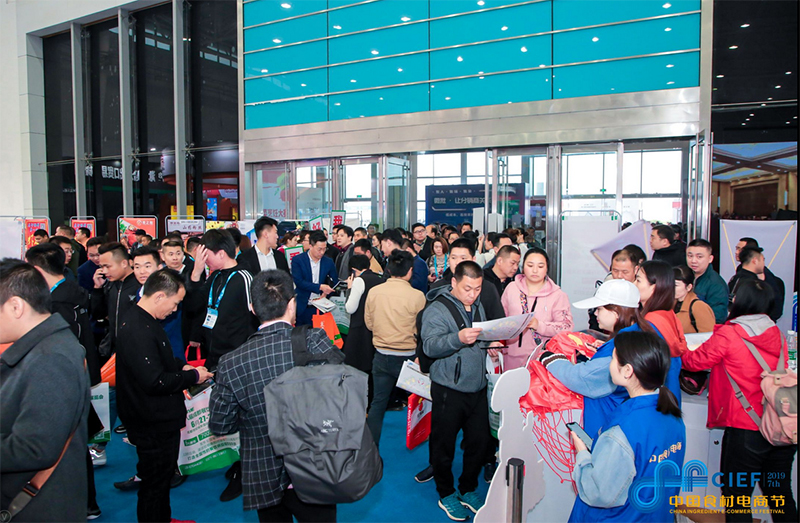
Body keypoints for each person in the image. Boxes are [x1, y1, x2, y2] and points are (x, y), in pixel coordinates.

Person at [210, 270, 342, 522]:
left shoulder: (231, 362)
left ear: (252, 308)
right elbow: (342, 396)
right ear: (292, 303)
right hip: (314, 466)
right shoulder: (316, 341)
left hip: (263, 471)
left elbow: (220, 425)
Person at [681, 280, 797, 522]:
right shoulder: (777, 334)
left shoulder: (729, 334)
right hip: (780, 426)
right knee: (779, 493)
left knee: (737, 497)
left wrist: (678, 343)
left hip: (745, 428)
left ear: (739, 301)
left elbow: (693, 361)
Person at [117, 269, 213, 523]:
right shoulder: (138, 328)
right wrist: (192, 377)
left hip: (155, 416)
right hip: (151, 420)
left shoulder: (144, 320)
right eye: (175, 303)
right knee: (155, 482)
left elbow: (160, 360)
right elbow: (155, 380)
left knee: (161, 478)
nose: (174, 310)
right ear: (160, 296)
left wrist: (182, 367)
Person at [0, 259, 91, 522]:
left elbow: (34, 447)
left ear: (16, 306)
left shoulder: (51, 357)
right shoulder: (42, 347)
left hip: (38, 507)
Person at [568, 331, 686, 523]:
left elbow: (598, 492)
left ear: (627, 371)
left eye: (613, 359)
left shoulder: (623, 429)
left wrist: (582, 454)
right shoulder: (672, 413)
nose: (610, 364)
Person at [24, 244, 103, 518]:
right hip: (79, 375)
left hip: (66, 381)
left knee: (69, 446)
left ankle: (85, 503)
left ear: (37, 269)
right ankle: (88, 502)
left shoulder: (56, 303)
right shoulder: (73, 291)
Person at [421, 261, 502, 520]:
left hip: (477, 385)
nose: (473, 294)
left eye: (477, 289)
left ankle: (468, 488)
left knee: (479, 442)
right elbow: (430, 347)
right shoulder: (437, 308)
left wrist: (490, 343)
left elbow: (481, 335)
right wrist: (457, 338)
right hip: (449, 387)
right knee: (443, 444)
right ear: (454, 282)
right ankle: (445, 492)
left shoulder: (477, 305)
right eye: (468, 288)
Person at [185, 228, 258, 501]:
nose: (202, 259)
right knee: (226, 414)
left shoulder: (244, 277)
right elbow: (194, 307)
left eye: (205, 255)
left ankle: (245, 470)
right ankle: (237, 462)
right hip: (215, 357)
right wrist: (196, 273)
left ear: (220, 253)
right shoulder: (214, 276)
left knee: (243, 416)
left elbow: (258, 316)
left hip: (239, 359)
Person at [539, 279, 652, 437]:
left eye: (599, 308)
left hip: (607, 429)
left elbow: (581, 379)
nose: (595, 314)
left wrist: (552, 359)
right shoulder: (638, 334)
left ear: (616, 312)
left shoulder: (620, 348)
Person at [364, 250, 426, 446]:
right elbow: (422, 329)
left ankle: (370, 450)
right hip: (409, 358)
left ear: (389, 269)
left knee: (378, 404)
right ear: (410, 271)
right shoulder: (417, 296)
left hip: (381, 355)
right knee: (421, 402)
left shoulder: (374, 292)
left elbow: (369, 324)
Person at [499, 247, 573, 370]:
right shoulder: (511, 288)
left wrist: (539, 325)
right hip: (511, 357)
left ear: (547, 268)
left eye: (540, 266)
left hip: (542, 359)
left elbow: (566, 327)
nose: (535, 270)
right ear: (523, 267)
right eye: (530, 265)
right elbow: (500, 319)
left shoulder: (558, 295)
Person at [343, 254, 384, 403]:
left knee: (357, 364)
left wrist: (349, 289)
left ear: (354, 270)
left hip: (359, 328)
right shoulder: (380, 279)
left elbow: (350, 308)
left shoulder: (359, 281)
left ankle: (358, 400)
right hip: (376, 327)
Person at [291, 230, 338, 326]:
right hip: (303, 306)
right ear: (310, 246)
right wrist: (320, 287)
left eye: (324, 249)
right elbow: (299, 282)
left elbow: (335, 281)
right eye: (319, 249)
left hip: (321, 307)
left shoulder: (328, 261)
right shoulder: (298, 260)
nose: (322, 252)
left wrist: (327, 292)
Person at [728, 247, 785, 322]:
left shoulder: (735, 279)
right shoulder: (754, 284)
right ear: (755, 261)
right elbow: (773, 311)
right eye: (762, 260)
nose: (764, 264)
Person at [686, 239, 729, 323]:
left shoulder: (716, 284)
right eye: (690, 256)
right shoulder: (685, 275)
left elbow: (717, 317)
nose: (693, 260)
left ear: (710, 259)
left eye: (699, 257)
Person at [673, 265, 715, 333]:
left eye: (675, 285)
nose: (671, 288)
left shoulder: (698, 306)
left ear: (688, 287)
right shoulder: (671, 304)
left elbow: (708, 335)